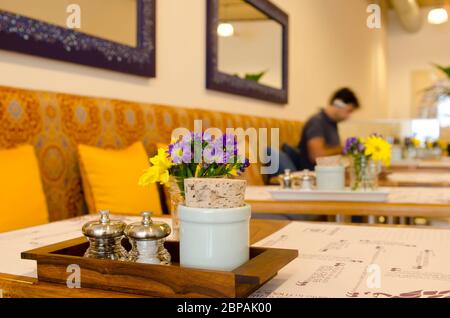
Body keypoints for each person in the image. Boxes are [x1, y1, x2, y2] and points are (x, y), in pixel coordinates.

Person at [298, 88, 360, 171]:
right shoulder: (317, 122)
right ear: (338, 104)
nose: (349, 116)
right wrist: (343, 148)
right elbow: (316, 156)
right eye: (349, 111)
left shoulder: (332, 124)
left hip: (328, 173)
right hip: (316, 176)